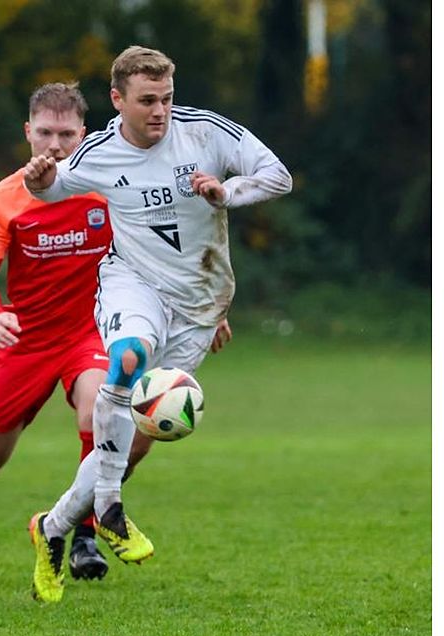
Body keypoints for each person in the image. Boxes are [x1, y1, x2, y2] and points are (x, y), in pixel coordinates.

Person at [0, 83, 230, 585]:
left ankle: (82, 537)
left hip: (93, 332)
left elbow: (166, 252)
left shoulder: (111, 185)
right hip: (27, 342)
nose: (54, 145)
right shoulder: (5, 199)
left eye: (65, 134)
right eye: (44, 133)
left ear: (84, 134)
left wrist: (203, 309)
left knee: (101, 413)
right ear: (28, 132)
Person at [22, 45, 290, 603]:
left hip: (200, 305)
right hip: (133, 282)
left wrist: (226, 192)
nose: (160, 110)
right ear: (117, 99)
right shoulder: (99, 151)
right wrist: (40, 179)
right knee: (127, 358)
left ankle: (53, 526)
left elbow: (277, 176)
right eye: (147, 100)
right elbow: (50, 188)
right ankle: (110, 509)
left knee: (133, 442)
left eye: (166, 98)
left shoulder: (205, 132)